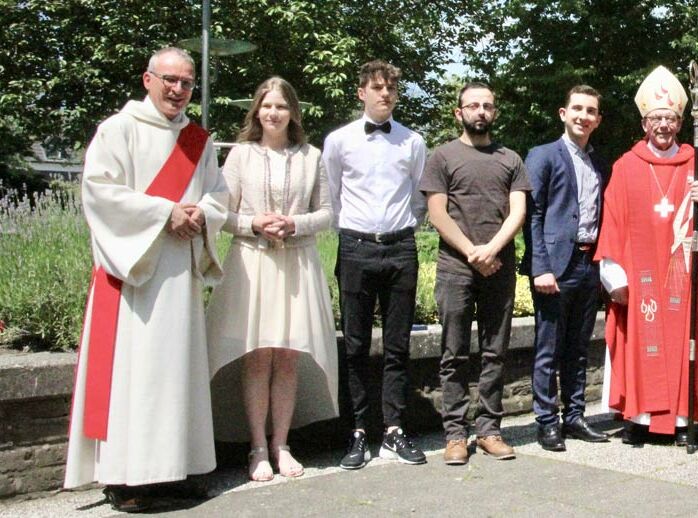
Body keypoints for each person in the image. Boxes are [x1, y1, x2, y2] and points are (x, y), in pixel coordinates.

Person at [65, 47, 227, 512]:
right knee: (135, 376)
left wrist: (202, 211)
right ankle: (128, 477)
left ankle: (178, 469)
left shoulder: (198, 140)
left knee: (177, 374)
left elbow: (219, 194)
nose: (178, 90)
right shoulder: (117, 130)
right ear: (148, 80)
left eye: (187, 83)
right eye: (170, 80)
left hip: (179, 274)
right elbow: (100, 192)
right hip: (133, 275)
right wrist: (163, 212)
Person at [206, 76, 338, 481]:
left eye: (281, 106)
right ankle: (257, 448)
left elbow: (329, 212)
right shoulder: (241, 156)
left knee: (288, 355)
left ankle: (282, 444)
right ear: (257, 111)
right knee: (258, 353)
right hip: (253, 264)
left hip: (297, 264)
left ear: (293, 112)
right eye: (266, 105)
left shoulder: (311, 156)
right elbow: (221, 213)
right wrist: (254, 222)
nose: (273, 113)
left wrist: (293, 223)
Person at [596, 65, 698, 447]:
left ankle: (683, 416)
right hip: (640, 276)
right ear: (644, 123)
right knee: (642, 341)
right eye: (656, 118)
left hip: (684, 276)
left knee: (682, 342)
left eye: (670, 118)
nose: (663, 125)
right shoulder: (625, 166)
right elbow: (613, 222)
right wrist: (614, 277)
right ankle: (639, 417)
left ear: (681, 122)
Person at [322, 60, 429, 469]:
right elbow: (332, 196)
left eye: (391, 89)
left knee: (398, 344)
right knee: (355, 346)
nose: (384, 94)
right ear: (361, 92)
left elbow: (419, 198)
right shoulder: (338, 141)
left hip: (401, 249)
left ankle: (395, 431)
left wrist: (398, 230)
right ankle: (358, 431)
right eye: (377, 87)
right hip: (355, 248)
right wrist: (357, 233)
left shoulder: (413, 142)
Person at [421, 81, 530, 465]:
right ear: (459, 113)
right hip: (456, 267)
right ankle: (455, 434)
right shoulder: (442, 157)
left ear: (494, 113)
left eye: (487, 106)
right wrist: (472, 252)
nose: (480, 111)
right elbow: (437, 213)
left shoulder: (511, 159)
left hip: (498, 266)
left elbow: (518, 211)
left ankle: (488, 430)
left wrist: (492, 249)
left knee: (495, 351)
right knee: (453, 353)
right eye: (473, 105)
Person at [520, 85, 612, 451]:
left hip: (589, 264)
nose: (583, 116)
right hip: (555, 267)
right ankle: (547, 421)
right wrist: (540, 267)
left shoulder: (600, 162)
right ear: (563, 113)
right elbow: (533, 215)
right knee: (549, 348)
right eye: (577, 108)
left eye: (591, 111)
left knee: (578, 348)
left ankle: (574, 416)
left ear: (598, 120)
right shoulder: (543, 156)